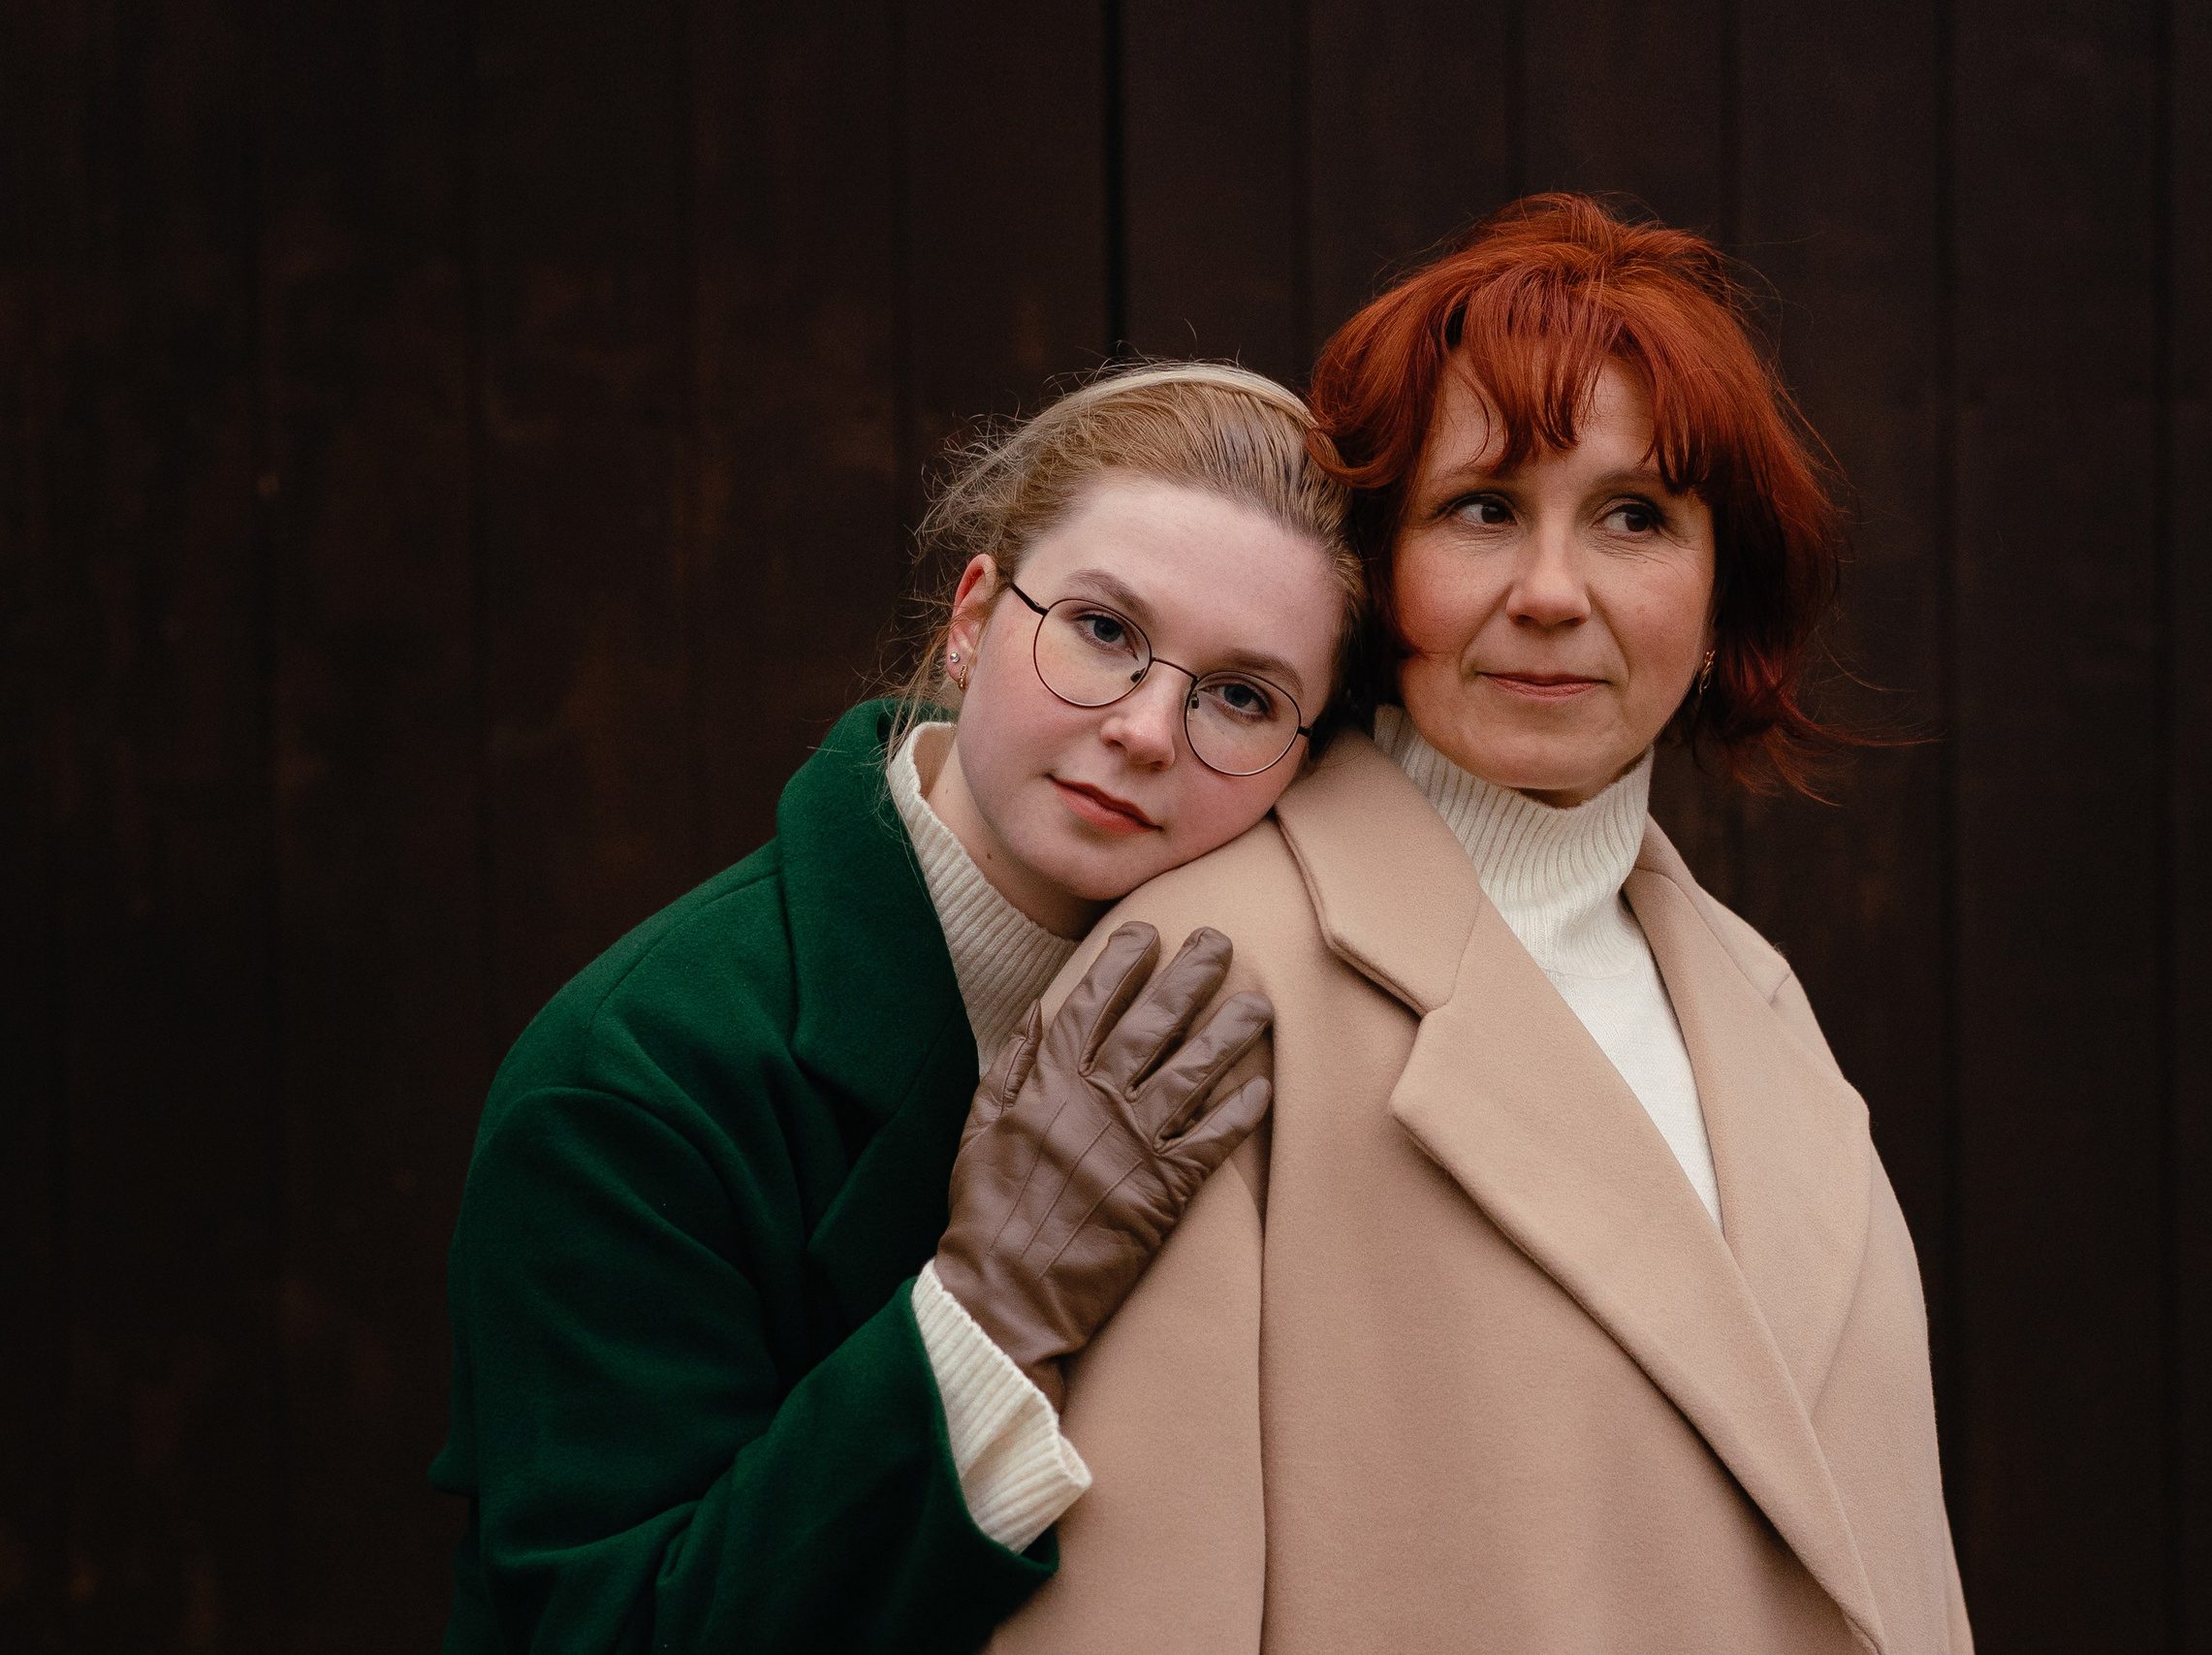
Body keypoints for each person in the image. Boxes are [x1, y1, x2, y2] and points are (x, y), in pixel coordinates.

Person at [985, 197, 1973, 1654]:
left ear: (1719, 593)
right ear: (1379, 577)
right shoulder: (1208, 978)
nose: (1555, 594)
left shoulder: (1752, 993)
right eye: (1482, 510)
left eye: (1637, 517)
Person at [428, 364, 1366, 1654]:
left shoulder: (1286, 1029)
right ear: (975, 616)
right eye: (1100, 627)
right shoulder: (634, 1076)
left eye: (1242, 696)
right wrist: (988, 1305)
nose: (1149, 729)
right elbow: (606, 1633)